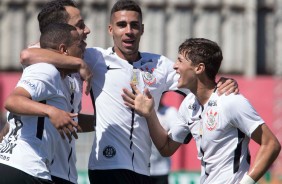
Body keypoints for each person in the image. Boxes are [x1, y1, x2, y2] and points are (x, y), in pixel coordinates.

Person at [20, 1, 239, 183]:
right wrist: (76, 63)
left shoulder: (160, 64)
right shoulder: (95, 58)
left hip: (145, 170)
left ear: (142, 29)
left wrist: (221, 83)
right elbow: (29, 54)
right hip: (106, 166)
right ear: (110, 30)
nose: (129, 31)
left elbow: (197, 84)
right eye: (122, 25)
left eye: (134, 25)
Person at [122, 38, 281, 184]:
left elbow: (271, 144)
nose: (174, 66)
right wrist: (150, 114)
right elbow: (166, 148)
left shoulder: (231, 101)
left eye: (180, 60)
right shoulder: (189, 104)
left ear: (199, 68)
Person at [4, 1, 94, 183]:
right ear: (63, 31)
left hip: (60, 171)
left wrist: (108, 122)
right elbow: (13, 101)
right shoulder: (45, 67)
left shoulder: (76, 59)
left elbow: (67, 118)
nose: (87, 30)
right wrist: (52, 112)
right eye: (79, 25)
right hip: (33, 167)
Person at [150, 99, 178, 184]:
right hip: (142, 169)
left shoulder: (171, 112)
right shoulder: (141, 111)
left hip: (162, 169)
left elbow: (176, 136)